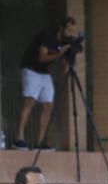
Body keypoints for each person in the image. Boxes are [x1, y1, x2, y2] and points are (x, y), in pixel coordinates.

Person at [13, 17, 80, 151]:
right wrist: (60, 52)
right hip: (31, 69)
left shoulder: (64, 41)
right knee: (29, 102)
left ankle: (40, 142)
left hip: (44, 73)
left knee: (48, 105)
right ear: (61, 28)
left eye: (73, 31)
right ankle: (19, 139)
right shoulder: (48, 36)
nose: (71, 33)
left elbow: (64, 62)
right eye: (69, 30)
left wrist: (70, 55)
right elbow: (42, 57)